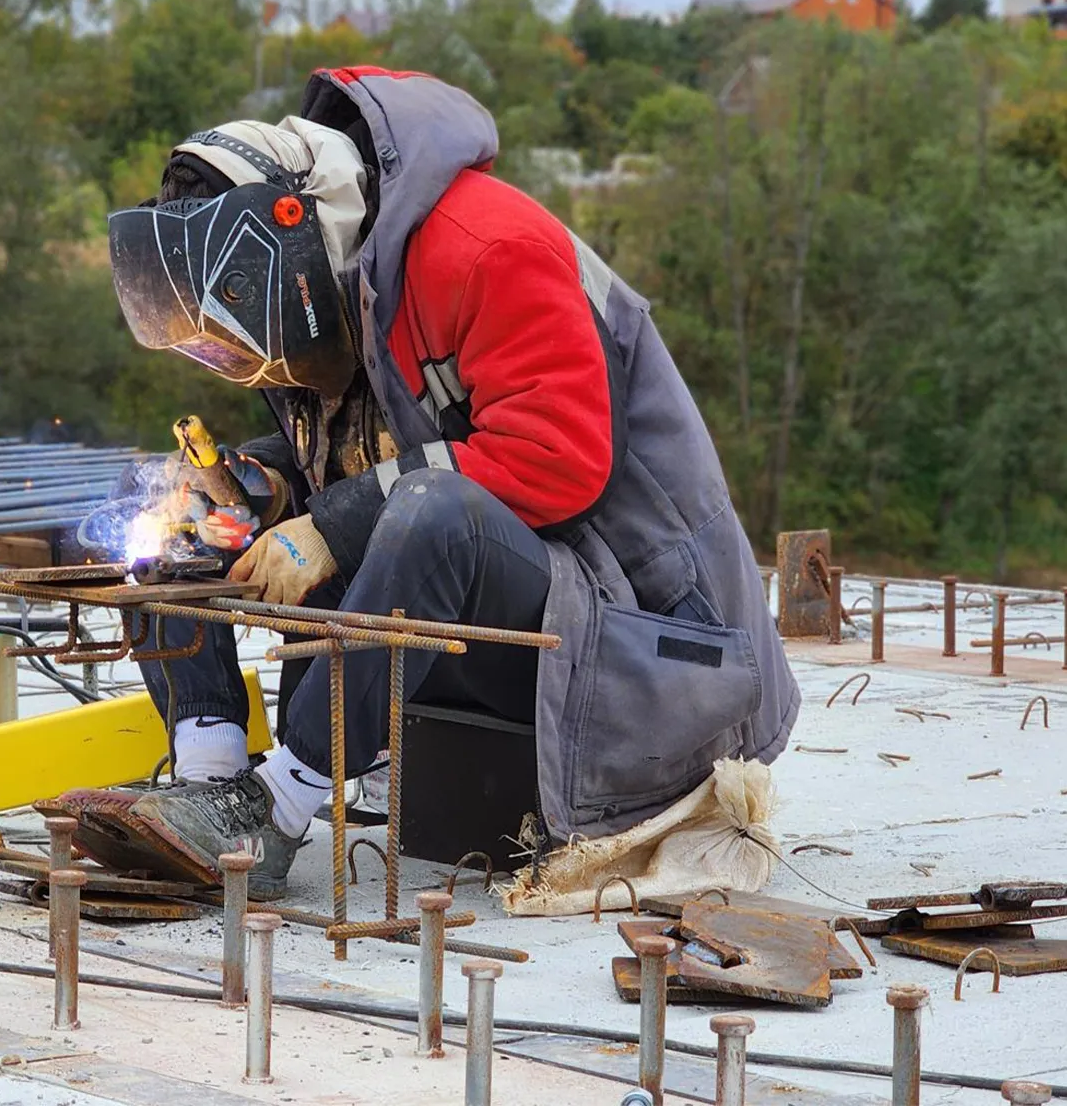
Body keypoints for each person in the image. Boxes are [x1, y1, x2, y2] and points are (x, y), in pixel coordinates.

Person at [99, 66, 799, 900]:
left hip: (650, 648)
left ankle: (272, 808)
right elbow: (390, 446)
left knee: (430, 512)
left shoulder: (486, 245)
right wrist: (260, 489)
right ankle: (209, 773)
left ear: (297, 236)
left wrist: (333, 525)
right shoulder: (341, 281)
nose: (237, 360)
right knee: (157, 504)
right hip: (513, 624)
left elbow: (551, 459)